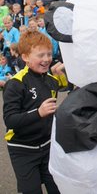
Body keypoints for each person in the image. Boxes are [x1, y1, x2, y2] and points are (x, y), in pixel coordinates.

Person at [2, 30, 66, 194]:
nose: (46, 59)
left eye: (48, 54)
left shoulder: (51, 80)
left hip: (48, 146)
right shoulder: (15, 84)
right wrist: (38, 113)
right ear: (25, 57)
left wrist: (62, 76)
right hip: (22, 149)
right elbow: (10, 120)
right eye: (40, 55)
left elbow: (66, 88)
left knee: (58, 188)